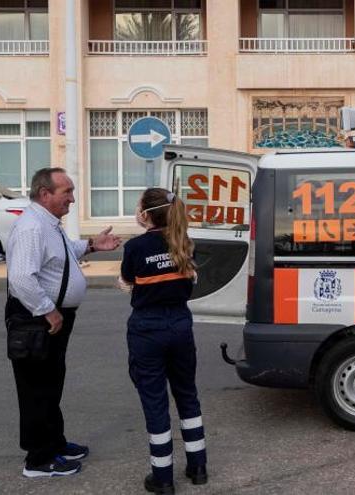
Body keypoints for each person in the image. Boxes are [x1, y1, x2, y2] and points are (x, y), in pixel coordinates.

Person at [7, 167, 121, 478]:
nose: (72, 198)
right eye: (66, 192)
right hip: (36, 319)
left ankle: (54, 443)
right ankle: (39, 460)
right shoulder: (32, 227)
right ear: (45, 194)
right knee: (36, 388)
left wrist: (93, 246)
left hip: (50, 317)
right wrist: (48, 310)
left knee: (51, 383)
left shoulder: (48, 224)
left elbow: (62, 254)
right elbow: (21, 278)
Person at [120, 188, 208, 494]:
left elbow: (129, 280)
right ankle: (198, 467)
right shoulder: (184, 243)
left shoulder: (135, 247)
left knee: (155, 401)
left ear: (146, 213)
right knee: (187, 394)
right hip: (180, 325)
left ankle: (163, 478)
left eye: (139, 207)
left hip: (148, 328)